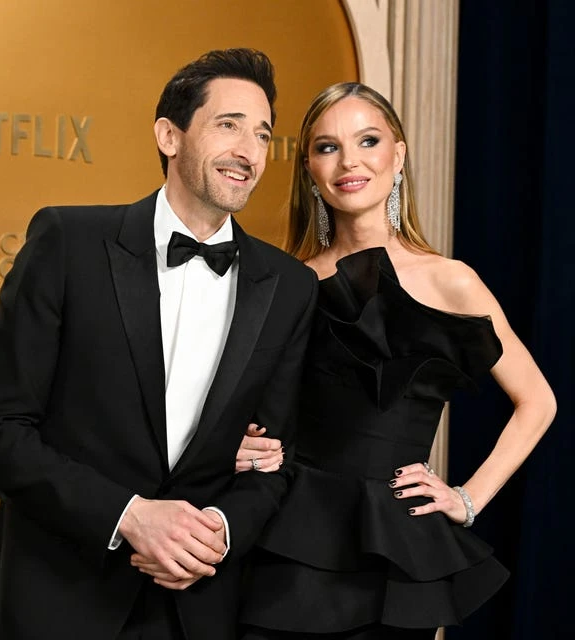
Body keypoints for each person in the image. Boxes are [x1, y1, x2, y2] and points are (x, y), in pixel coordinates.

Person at [0, 48, 317, 640]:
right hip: (59, 599)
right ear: (169, 136)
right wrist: (129, 517)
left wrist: (219, 531)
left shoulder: (288, 286)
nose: (249, 152)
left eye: (262, 134)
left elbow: (275, 462)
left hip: (196, 606)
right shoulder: (68, 243)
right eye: (228, 125)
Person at [233, 82, 557, 639]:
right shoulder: (287, 281)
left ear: (399, 154)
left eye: (368, 140)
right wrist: (238, 446)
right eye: (327, 147)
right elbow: (246, 405)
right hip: (285, 536)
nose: (349, 161)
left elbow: (538, 401)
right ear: (308, 167)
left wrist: (467, 498)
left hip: (393, 548)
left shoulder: (450, 280)